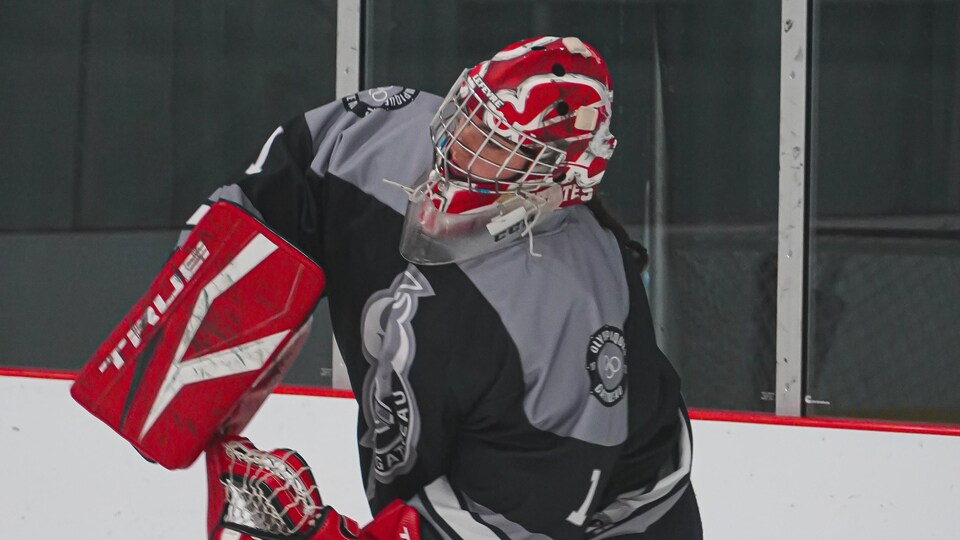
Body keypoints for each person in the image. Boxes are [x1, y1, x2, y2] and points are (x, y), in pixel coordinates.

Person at [198, 36, 702, 539]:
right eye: (469, 116)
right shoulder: (386, 135)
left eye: (497, 146)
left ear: (555, 182)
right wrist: (211, 266)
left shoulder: (568, 312)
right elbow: (300, 170)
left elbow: (517, 518)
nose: (458, 147)